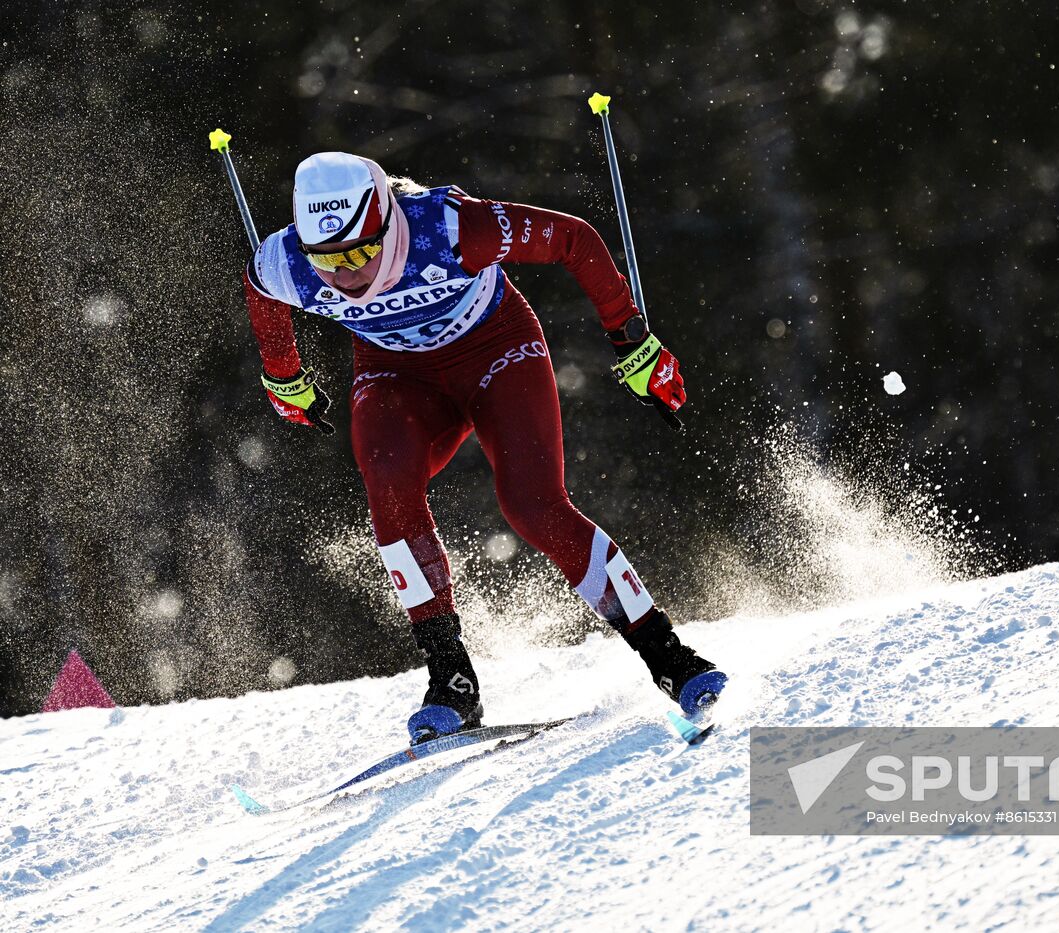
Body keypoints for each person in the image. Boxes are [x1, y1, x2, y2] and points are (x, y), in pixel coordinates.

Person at [242, 151, 725, 743]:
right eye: (330, 260)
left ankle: (669, 657)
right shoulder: (284, 263)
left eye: (362, 252)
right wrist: (284, 376)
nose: (347, 276)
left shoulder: (448, 228)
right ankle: (450, 678)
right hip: (398, 375)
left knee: (532, 505)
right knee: (387, 490)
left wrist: (631, 339)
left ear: (388, 223)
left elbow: (575, 238)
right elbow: (263, 300)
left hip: (495, 352)